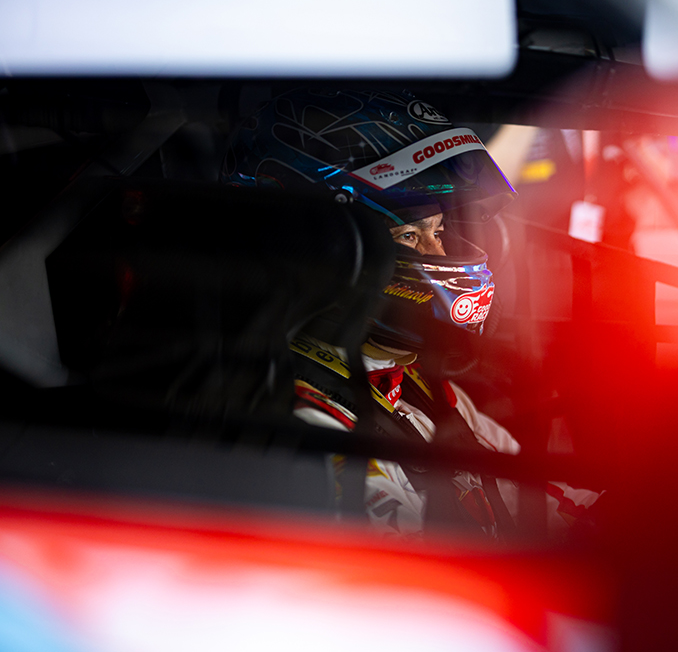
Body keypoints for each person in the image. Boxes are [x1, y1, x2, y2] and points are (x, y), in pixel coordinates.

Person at [222, 88, 598, 538]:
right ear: (327, 249)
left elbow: (547, 501)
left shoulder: (420, 388)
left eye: (439, 231)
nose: (439, 253)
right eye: (408, 237)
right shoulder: (315, 428)